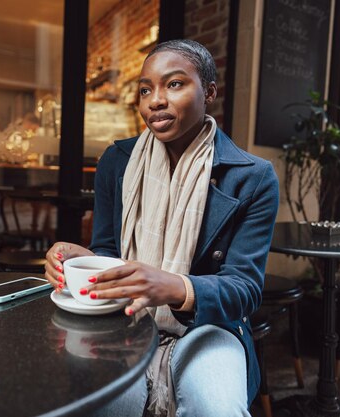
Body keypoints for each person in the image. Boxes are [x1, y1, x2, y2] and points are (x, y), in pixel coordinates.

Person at [44, 39, 279, 416]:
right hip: (124, 319)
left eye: (174, 84)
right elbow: (109, 255)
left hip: (208, 327)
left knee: (218, 407)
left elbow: (245, 290)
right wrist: (80, 259)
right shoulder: (117, 162)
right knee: (93, 405)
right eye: (145, 89)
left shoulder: (253, 178)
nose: (155, 100)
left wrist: (175, 287)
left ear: (210, 92)